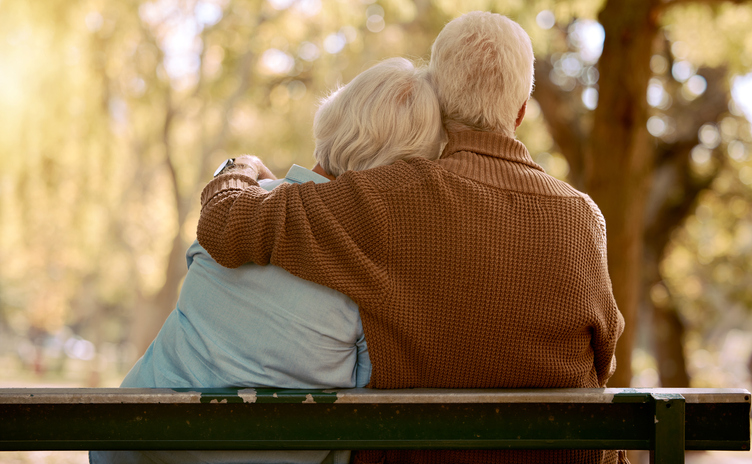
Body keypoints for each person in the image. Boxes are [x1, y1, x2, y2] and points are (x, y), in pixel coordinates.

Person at [197, 11, 626, 464]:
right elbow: (603, 360)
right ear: (521, 111)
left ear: (435, 100)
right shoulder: (582, 217)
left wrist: (242, 167)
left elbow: (226, 225)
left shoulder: (386, 196)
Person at [90, 57, 443, 464]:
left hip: (136, 447)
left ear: (332, 120)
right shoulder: (375, 269)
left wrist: (242, 168)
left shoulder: (234, 209)